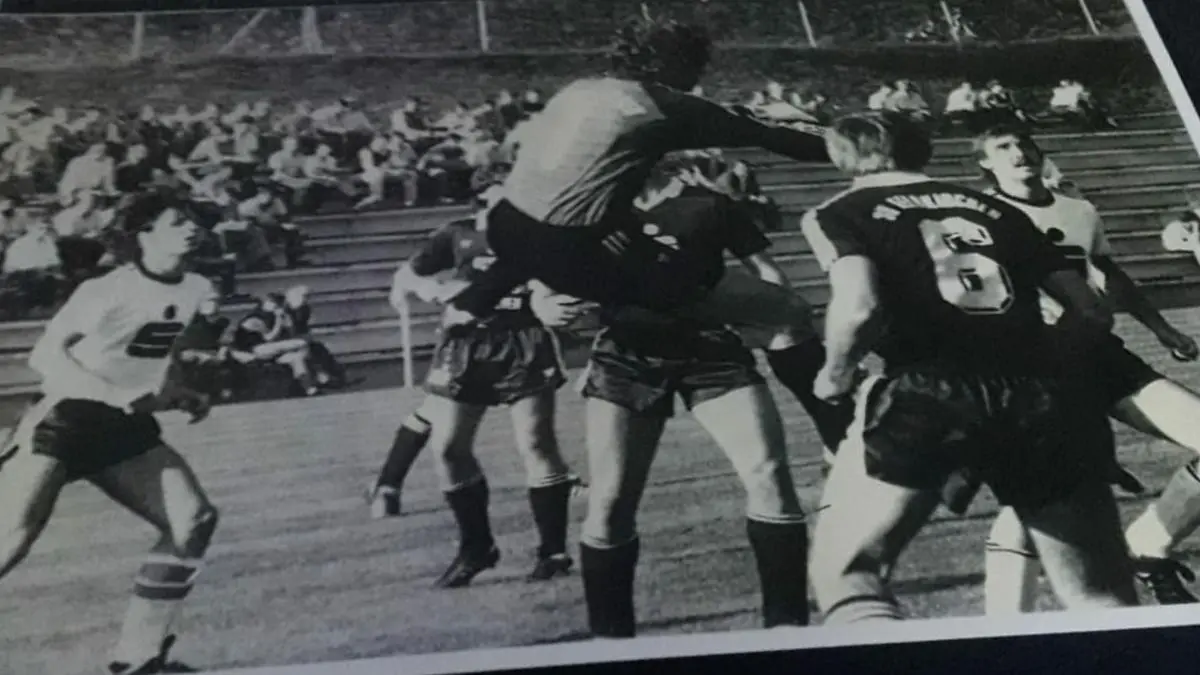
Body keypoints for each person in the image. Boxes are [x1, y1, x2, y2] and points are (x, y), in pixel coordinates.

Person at [803, 112, 1135, 623]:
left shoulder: (839, 211)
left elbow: (859, 307)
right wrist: (1045, 365)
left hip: (928, 388)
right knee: (1097, 597)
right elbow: (1091, 309)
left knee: (849, 574)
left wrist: (834, 375)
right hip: (1041, 391)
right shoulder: (995, 208)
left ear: (843, 154)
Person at [528, 163, 822, 638]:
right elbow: (543, 281)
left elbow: (768, 274)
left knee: (769, 474)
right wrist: (542, 305)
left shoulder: (709, 204)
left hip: (711, 349)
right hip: (627, 356)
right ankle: (612, 641)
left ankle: (788, 631)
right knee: (611, 500)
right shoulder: (587, 209)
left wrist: (774, 318)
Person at [445, 15, 831, 335]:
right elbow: (770, 136)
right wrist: (851, 144)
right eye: (696, 66)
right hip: (567, 248)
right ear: (674, 64)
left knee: (615, 220)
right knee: (781, 309)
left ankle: (473, 301)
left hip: (507, 226)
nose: (698, 77)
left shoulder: (580, 89)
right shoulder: (663, 106)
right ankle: (833, 414)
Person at [973, 124, 1200, 608]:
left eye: (1024, 144)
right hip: (1033, 368)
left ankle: (1147, 547)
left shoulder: (1078, 210)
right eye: (1004, 147)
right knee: (1038, 500)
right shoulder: (981, 216)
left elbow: (1109, 273)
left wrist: (1163, 330)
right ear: (985, 164)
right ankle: (1003, 628)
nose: (1019, 153)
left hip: (1100, 355)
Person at [0, 191, 218, 674]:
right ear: (144, 235)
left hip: (122, 426)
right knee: (11, 538)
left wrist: (179, 391)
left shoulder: (192, 287)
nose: (191, 229)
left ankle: (137, 658)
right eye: (177, 222)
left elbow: (151, 353)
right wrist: (112, 393)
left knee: (194, 519)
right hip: (65, 419)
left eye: (193, 222)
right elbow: (45, 357)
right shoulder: (108, 289)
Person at [369, 187, 580, 586]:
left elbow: (552, 283)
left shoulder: (535, 237)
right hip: (466, 345)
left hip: (523, 341)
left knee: (536, 442)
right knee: (448, 447)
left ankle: (553, 551)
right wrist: (437, 293)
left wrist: (549, 302)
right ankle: (476, 546)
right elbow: (408, 276)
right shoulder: (457, 234)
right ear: (482, 200)